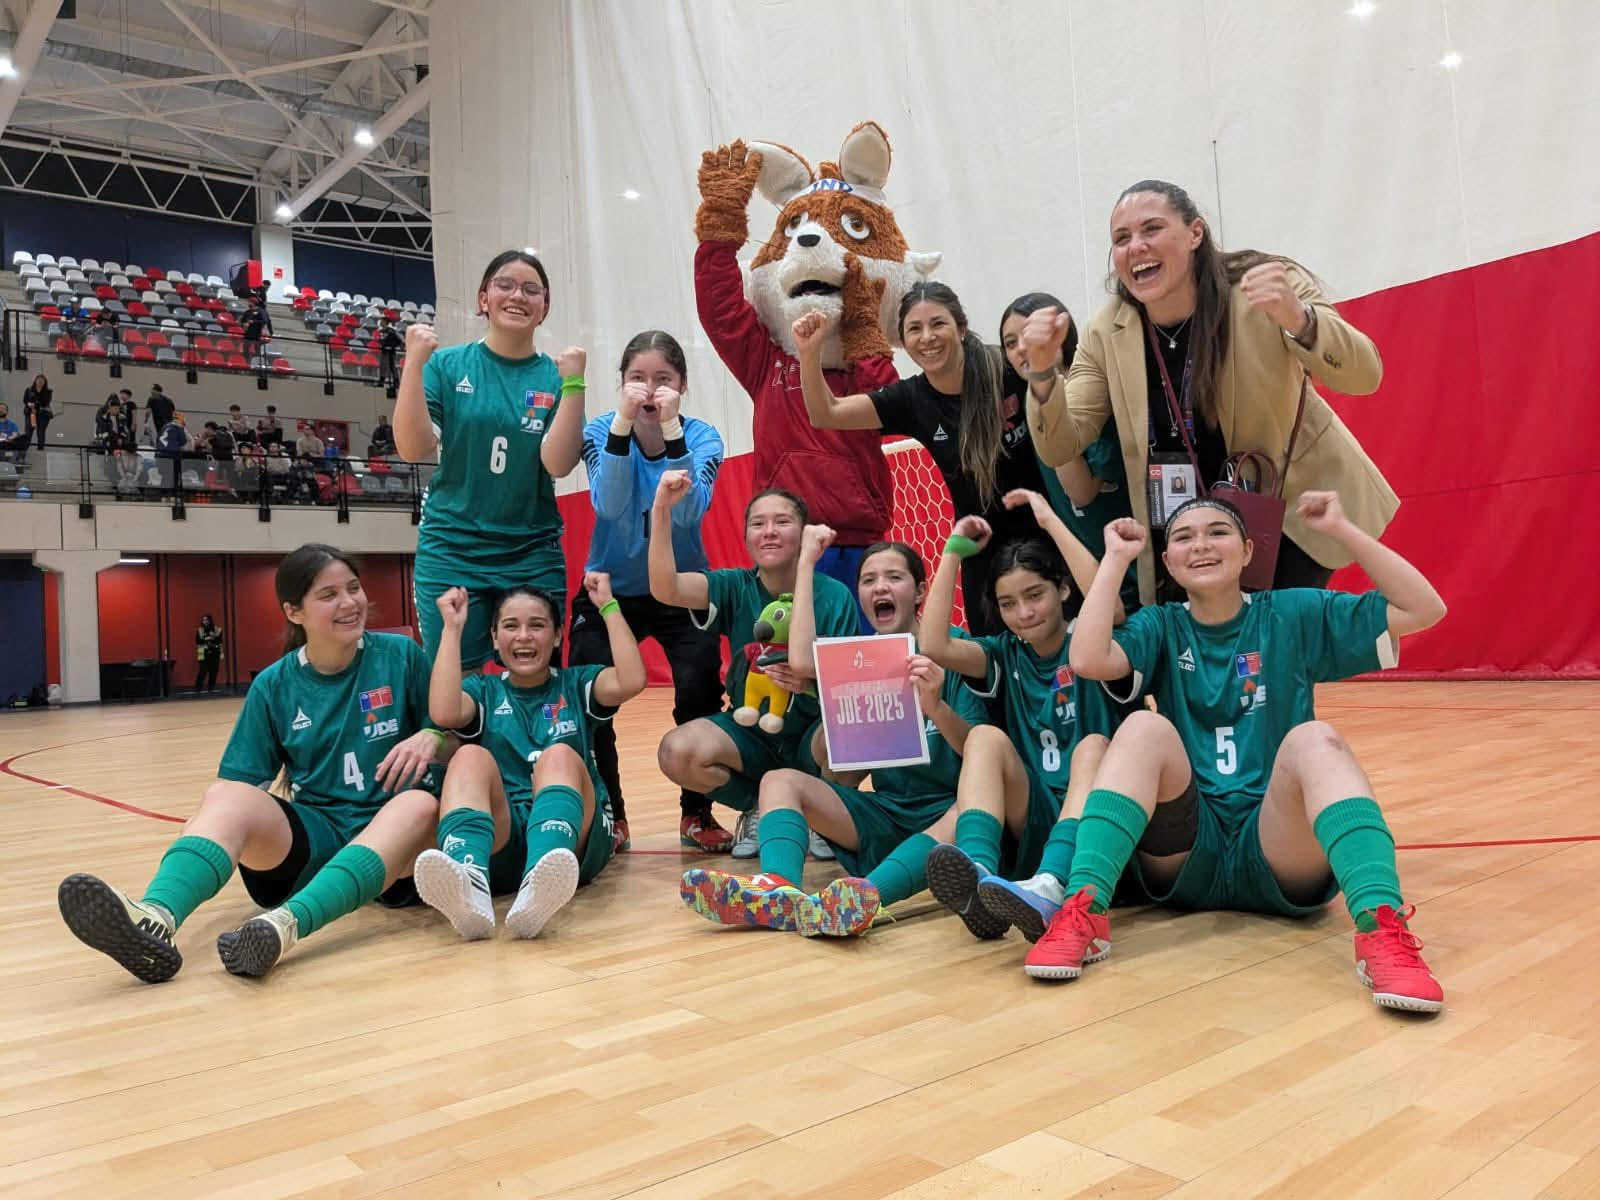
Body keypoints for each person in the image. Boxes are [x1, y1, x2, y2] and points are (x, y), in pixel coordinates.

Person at [1041, 493, 1447, 1010]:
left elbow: (1425, 608)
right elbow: (1088, 658)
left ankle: (1381, 931)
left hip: (1278, 849)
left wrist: (1343, 530)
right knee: (1143, 726)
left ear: (1248, 550)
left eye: (1218, 532)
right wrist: (1117, 558)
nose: (1201, 545)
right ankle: (1084, 908)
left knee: (1314, 739)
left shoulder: (1292, 612)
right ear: (1167, 561)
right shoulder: (1162, 624)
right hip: (1189, 851)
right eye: (1183, 537)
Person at [56, 544, 450, 983]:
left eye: (353, 588)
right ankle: (156, 916)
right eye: (329, 595)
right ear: (294, 612)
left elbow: (454, 734)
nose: (349, 603)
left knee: (418, 805)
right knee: (226, 796)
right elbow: (237, 788)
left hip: (396, 852)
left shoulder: (401, 656)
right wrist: (210, 828)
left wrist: (431, 735)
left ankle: (284, 926)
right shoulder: (274, 684)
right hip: (315, 841)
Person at [1021, 178, 1398, 605]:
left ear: (1195, 233)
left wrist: (1299, 318)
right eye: (1121, 239)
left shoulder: (1261, 286)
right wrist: (1042, 373)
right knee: (1214, 660)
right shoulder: (1107, 331)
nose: (1136, 246)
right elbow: (1060, 446)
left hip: (1284, 508)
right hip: (1186, 523)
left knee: (1275, 645)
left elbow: (1364, 376)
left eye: (1152, 229)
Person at [681, 531, 989, 936]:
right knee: (780, 780)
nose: (880, 586)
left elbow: (980, 751)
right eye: (868, 580)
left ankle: (866, 897)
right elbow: (803, 665)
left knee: (963, 811)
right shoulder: (858, 659)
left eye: (894, 578)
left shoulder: (959, 652)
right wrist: (806, 563)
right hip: (887, 812)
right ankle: (777, 889)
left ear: (920, 590)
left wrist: (935, 707)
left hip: (950, 812)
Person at [914, 491, 1124, 943]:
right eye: (1008, 604)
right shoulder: (1004, 653)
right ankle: (978, 877)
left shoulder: (1093, 643)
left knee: (1092, 746)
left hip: (1092, 816)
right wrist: (952, 550)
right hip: (1033, 810)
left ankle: (1051, 883)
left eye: (1035, 595)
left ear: (1063, 589)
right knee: (985, 738)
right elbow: (933, 644)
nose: (1024, 613)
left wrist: (1049, 520)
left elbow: (1115, 608)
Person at [794, 283, 1048, 634]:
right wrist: (810, 353)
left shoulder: (1005, 368)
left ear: (960, 327)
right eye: (915, 328)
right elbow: (827, 413)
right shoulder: (912, 398)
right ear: (904, 340)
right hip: (982, 548)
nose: (927, 337)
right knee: (995, 665)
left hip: (1045, 535)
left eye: (938, 324)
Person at [416, 574, 646, 939]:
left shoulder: (577, 682)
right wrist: (452, 629)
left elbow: (632, 680)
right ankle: (469, 881)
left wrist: (609, 607)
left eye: (537, 626)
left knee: (557, 756)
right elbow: (443, 713)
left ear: (556, 636)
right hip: (506, 836)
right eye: (510, 626)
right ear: (495, 638)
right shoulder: (483, 689)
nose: (523, 636)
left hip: (573, 842)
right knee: (467, 756)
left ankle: (543, 874)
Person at [394, 250, 587, 669]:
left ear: (545, 307)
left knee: (537, 677)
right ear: (483, 299)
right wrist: (412, 365)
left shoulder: (555, 377)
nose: (517, 295)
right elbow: (413, 448)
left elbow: (558, 464)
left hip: (531, 549)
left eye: (531, 289)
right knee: (455, 681)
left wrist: (574, 384)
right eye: (505, 284)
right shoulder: (446, 365)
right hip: (452, 548)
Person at [651, 477, 860, 858]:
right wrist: (663, 508)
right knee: (675, 751)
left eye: (782, 521)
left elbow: (850, 685)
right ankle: (760, 807)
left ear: (805, 531)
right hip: (753, 733)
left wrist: (812, 679)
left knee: (849, 732)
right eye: (758, 523)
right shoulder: (734, 587)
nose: (769, 532)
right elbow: (665, 587)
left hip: (813, 736)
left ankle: (822, 813)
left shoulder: (833, 595)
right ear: (746, 536)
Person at [575, 330, 727, 852]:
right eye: (637, 378)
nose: (649, 389)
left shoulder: (704, 437)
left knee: (700, 690)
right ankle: (611, 816)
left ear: (682, 385)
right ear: (621, 384)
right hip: (608, 590)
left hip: (680, 590)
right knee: (593, 695)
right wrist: (622, 424)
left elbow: (688, 511)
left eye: (663, 379)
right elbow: (610, 505)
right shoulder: (599, 431)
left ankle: (697, 814)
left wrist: (670, 429)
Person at [1000, 292, 1139, 614]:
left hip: (1126, 563)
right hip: (1082, 566)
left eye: (1032, 335)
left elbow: (1080, 492)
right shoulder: (1030, 397)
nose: (1023, 347)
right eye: (1011, 342)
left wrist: (1050, 403)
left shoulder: (1090, 388)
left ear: (1062, 333)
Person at [195, 614, 225, 693]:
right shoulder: (200, 630)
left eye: (207, 620)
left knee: (214, 671)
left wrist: (221, 653)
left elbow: (220, 642)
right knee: (202, 671)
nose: (205, 622)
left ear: (210, 620)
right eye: (204, 620)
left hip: (215, 652)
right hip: (203, 653)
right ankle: (198, 687)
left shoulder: (217, 630)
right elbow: (198, 642)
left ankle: (211, 687)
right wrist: (205, 640)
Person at [23, 374, 52, 450]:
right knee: (28, 431)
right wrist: (29, 404)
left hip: (42, 414)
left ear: (45, 382)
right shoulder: (29, 390)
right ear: (35, 381)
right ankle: (24, 449)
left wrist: (35, 406)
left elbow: (45, 402)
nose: (40, 381)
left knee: (40, 432)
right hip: (31, 413)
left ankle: (40, 449)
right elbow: (25, 400)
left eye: (42, 380)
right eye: (38, 380)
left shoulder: (48, 391)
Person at [378, 318, 403, 388]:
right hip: (384, 352)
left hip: (391, 353)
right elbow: (381, 341)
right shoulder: (381, 331)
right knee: (383, 367)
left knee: (392, 367)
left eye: (382, 321)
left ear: (386, 322)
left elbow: (399, 341)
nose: (381, 322)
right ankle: (381, 382)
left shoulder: (391, 331)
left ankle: (396, 382)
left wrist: (391, 346)